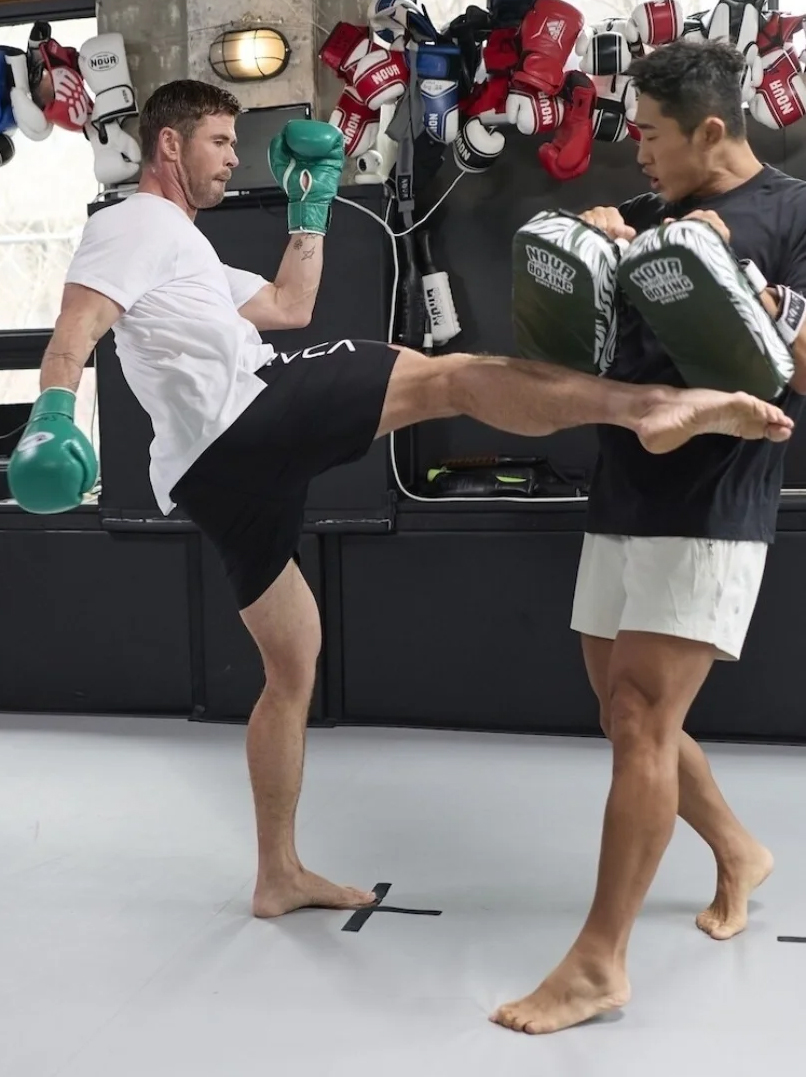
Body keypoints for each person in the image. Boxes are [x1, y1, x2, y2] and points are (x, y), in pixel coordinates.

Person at [9, 79, 793, 922]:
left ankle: (278, 873)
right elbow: (74, 331)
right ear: (170, 145)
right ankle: (650, 406)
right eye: (221, 143)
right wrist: (52, 415)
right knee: (450, 377)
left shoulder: (181, 246)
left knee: (292, 661)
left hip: (212, 473)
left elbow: (288, 307)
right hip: (247, 413)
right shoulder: (132, 223)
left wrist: (311, 211)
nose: (234, 159)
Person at [492, 40, 806, 1037]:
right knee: (622, 714)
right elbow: (578, 345)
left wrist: (734, 281)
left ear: (711, 131)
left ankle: (598, 963)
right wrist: (589, 253)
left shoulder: (791, 215)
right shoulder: (640, 216)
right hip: (622, 490)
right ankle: (739, 849)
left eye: (653, 135)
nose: (637, 152)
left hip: (712, 500)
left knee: (639, 716)